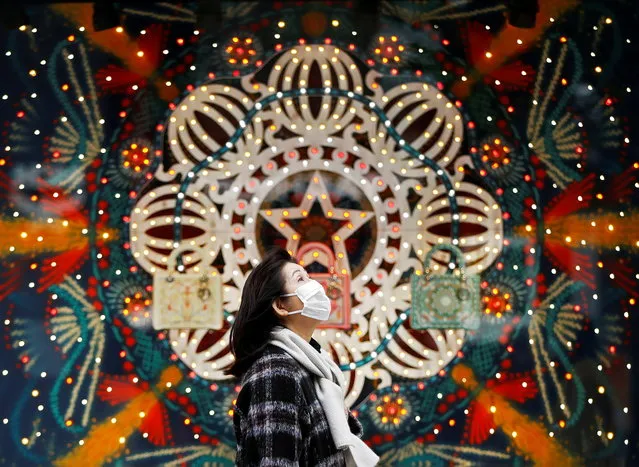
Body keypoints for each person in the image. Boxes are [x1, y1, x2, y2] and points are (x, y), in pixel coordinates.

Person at [224, 247, 379, 466]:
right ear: (280, 305)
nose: (316, 285)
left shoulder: (309, 366)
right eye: (301, 279)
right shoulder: (275, 372)